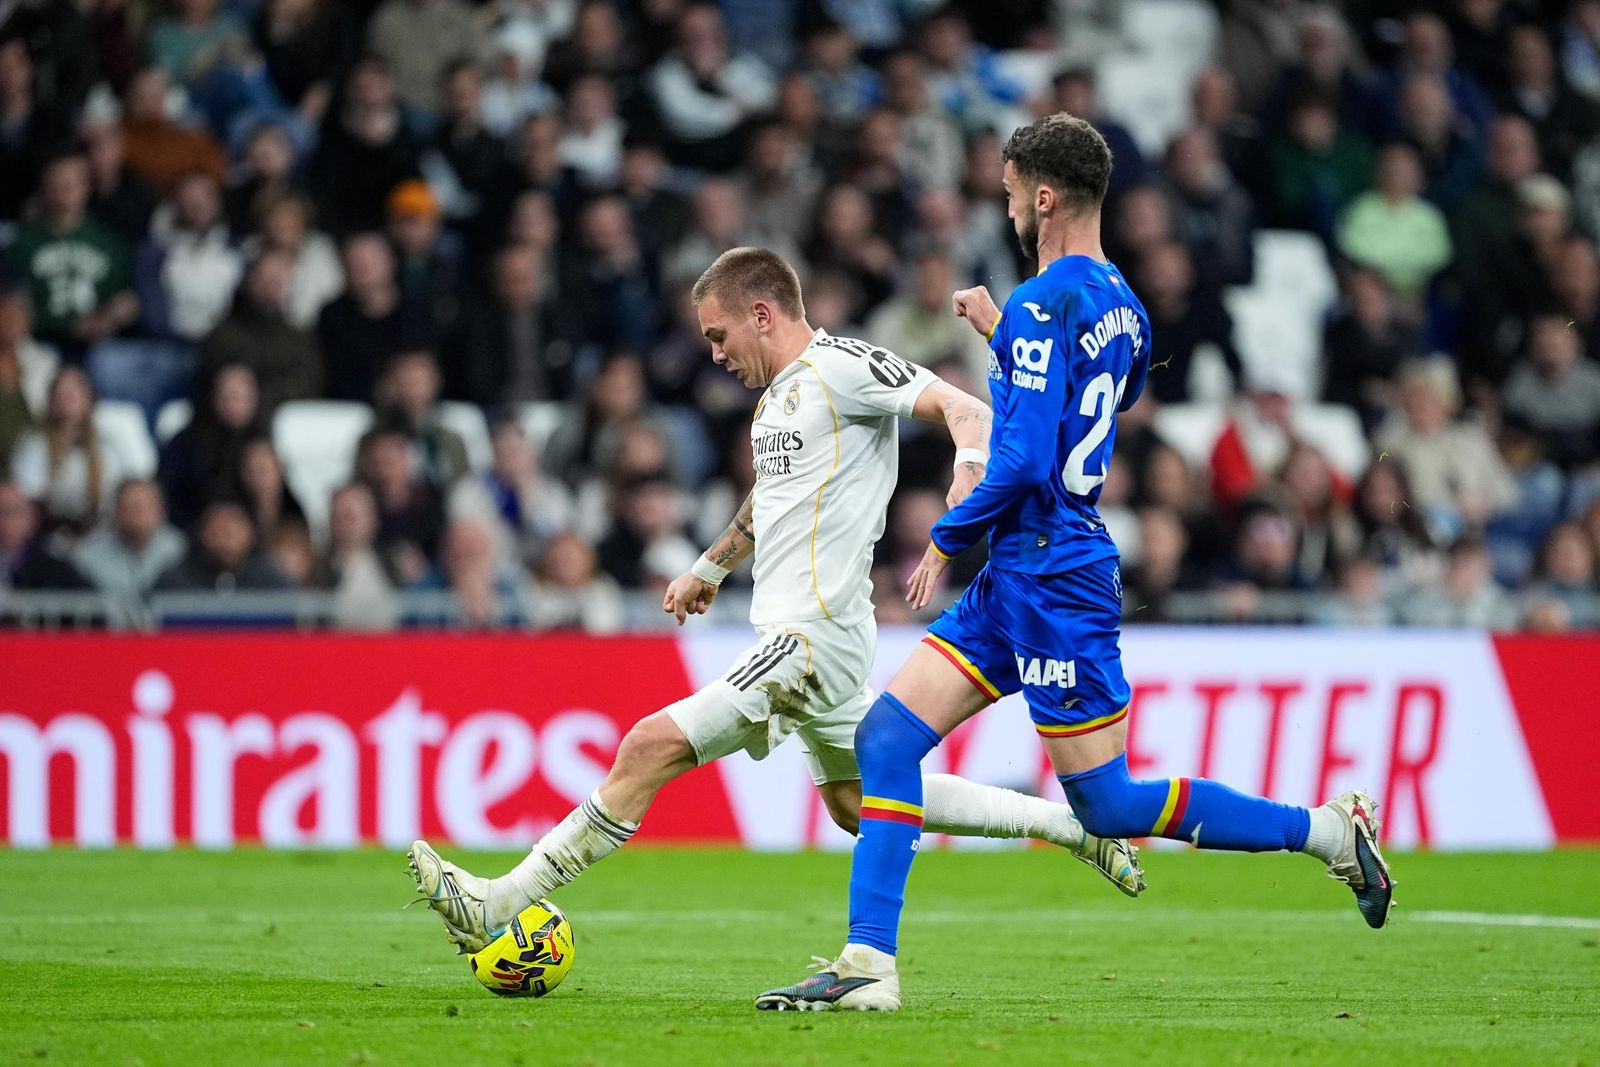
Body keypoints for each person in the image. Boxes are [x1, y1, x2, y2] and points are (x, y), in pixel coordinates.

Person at [757, 114, 1396, 1014]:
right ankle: (868, 963)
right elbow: (1100, 400)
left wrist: (945, 536)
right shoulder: (1124, 305)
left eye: (1013, 191)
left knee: (1108, 804)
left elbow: (1021, 461)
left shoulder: (1038, 303)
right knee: (887, 740)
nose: (1009, 205)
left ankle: (1327, 830)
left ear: (1044, 195)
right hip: (1026, 572)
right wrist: (1001, 339)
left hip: (1053, 577)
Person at [407, 246, 1143, 955]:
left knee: (647, 745)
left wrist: (969, 469)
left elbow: (965, 409)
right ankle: (1074, 826)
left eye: (719, 335)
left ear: (763, 312)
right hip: (809, 633)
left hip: (809, 640)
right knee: (858, 801)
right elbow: (770, 499)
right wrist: (710, 566)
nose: (716, 355)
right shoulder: (776, 404)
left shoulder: (842, 367)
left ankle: (496, 903)